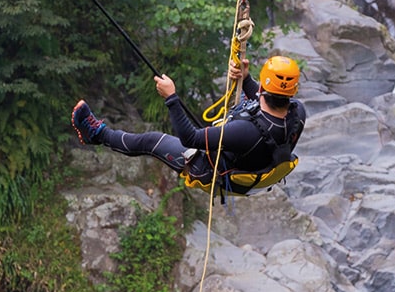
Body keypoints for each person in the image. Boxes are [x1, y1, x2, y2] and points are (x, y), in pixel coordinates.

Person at [71, 56, 307, 196]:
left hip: (211, 172)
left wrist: (171, 98)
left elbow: (191, 138)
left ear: (265, 89)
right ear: (291, 92)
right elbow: (262, 99)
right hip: (255, 165)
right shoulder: (298, 113)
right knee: (243, 108)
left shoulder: (244, 132)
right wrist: (245, 80)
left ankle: (96, 134)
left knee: (152, 141)